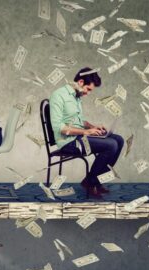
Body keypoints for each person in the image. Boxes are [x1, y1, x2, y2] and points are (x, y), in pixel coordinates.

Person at [49, 67, 124, 199]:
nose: (88, 93)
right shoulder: (58, 95)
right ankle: (91, 182)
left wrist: (94, 127)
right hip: (68, 142)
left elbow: (80, 121)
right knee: (111, 145)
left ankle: (93, 181)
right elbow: (58, 127)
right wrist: (86, 132)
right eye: (88, 89)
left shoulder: (76, 97)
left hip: (79, 137)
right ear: (81, 82)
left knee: (119, 140)